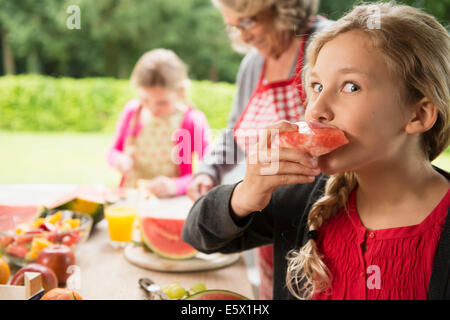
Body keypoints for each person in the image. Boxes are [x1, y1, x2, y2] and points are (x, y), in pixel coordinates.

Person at [182, 2, 450, 300]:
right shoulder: (302, 197)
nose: (314, 111)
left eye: (350, 87)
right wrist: (245, 195)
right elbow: (198, 235)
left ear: (419, 114)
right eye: (317, 86)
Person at [187, 0, 330, 299]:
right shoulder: (253, 63)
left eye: (248, 22)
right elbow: (236, 130)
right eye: (233, 27)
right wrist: (209, 170)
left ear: (283, 9)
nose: (243, 35)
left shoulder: (326, 43)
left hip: (320, 215)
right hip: (268, 215)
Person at [107, 49, 211, 198]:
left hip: (170, 202)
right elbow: (113, 151)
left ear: (181, 92)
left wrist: (176, 185)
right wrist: (119, 160)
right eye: (145, 99)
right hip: (132, 197)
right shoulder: (133, 112)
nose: (153, 108)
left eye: (162, 103)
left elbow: (208, 170)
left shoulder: (192, 121)